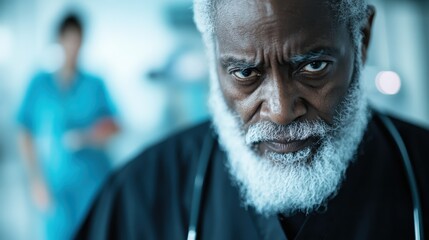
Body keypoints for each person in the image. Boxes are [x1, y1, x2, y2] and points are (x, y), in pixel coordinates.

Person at [75, 0, 429, 239]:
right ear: (213, 56)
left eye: (313, 66)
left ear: (362, 39)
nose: (280, 110)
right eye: (245, 72)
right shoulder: (139, 198)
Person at [17, 13, 119, 240]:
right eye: (68, 39)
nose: (73, 47)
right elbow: (24, 132)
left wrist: (89, 136)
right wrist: (35, 180)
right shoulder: (40, 84)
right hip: (55, 186)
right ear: (59, 40)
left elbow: (115, 126)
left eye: (78, 40)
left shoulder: (95, 84)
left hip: (93, 184)